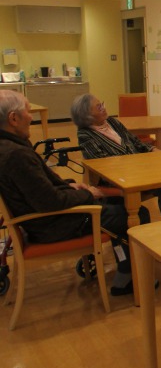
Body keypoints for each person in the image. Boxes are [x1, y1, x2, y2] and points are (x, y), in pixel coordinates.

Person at [0, 90, 141, 296]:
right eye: (28, 112)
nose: (31, 118)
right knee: (134, 213)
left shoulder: (8, 148)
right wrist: (89, 194)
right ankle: (131, 276)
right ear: (13, 118)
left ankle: (126, 269)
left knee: (116, 206)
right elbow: (50, 201)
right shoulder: (17, 155)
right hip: (56, 224)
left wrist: (70, 185)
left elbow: (40, 189)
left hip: (44, 219)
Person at [70, 94, 161, 219]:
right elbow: (105, 165)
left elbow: (135, 142)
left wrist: (152, 149)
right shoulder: (85, 135)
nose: (103, 108)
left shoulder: (112, 122)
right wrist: (140, 165)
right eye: (98, 107)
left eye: (102, 104)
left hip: (140, 169)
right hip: (120, 178)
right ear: (87, 116)